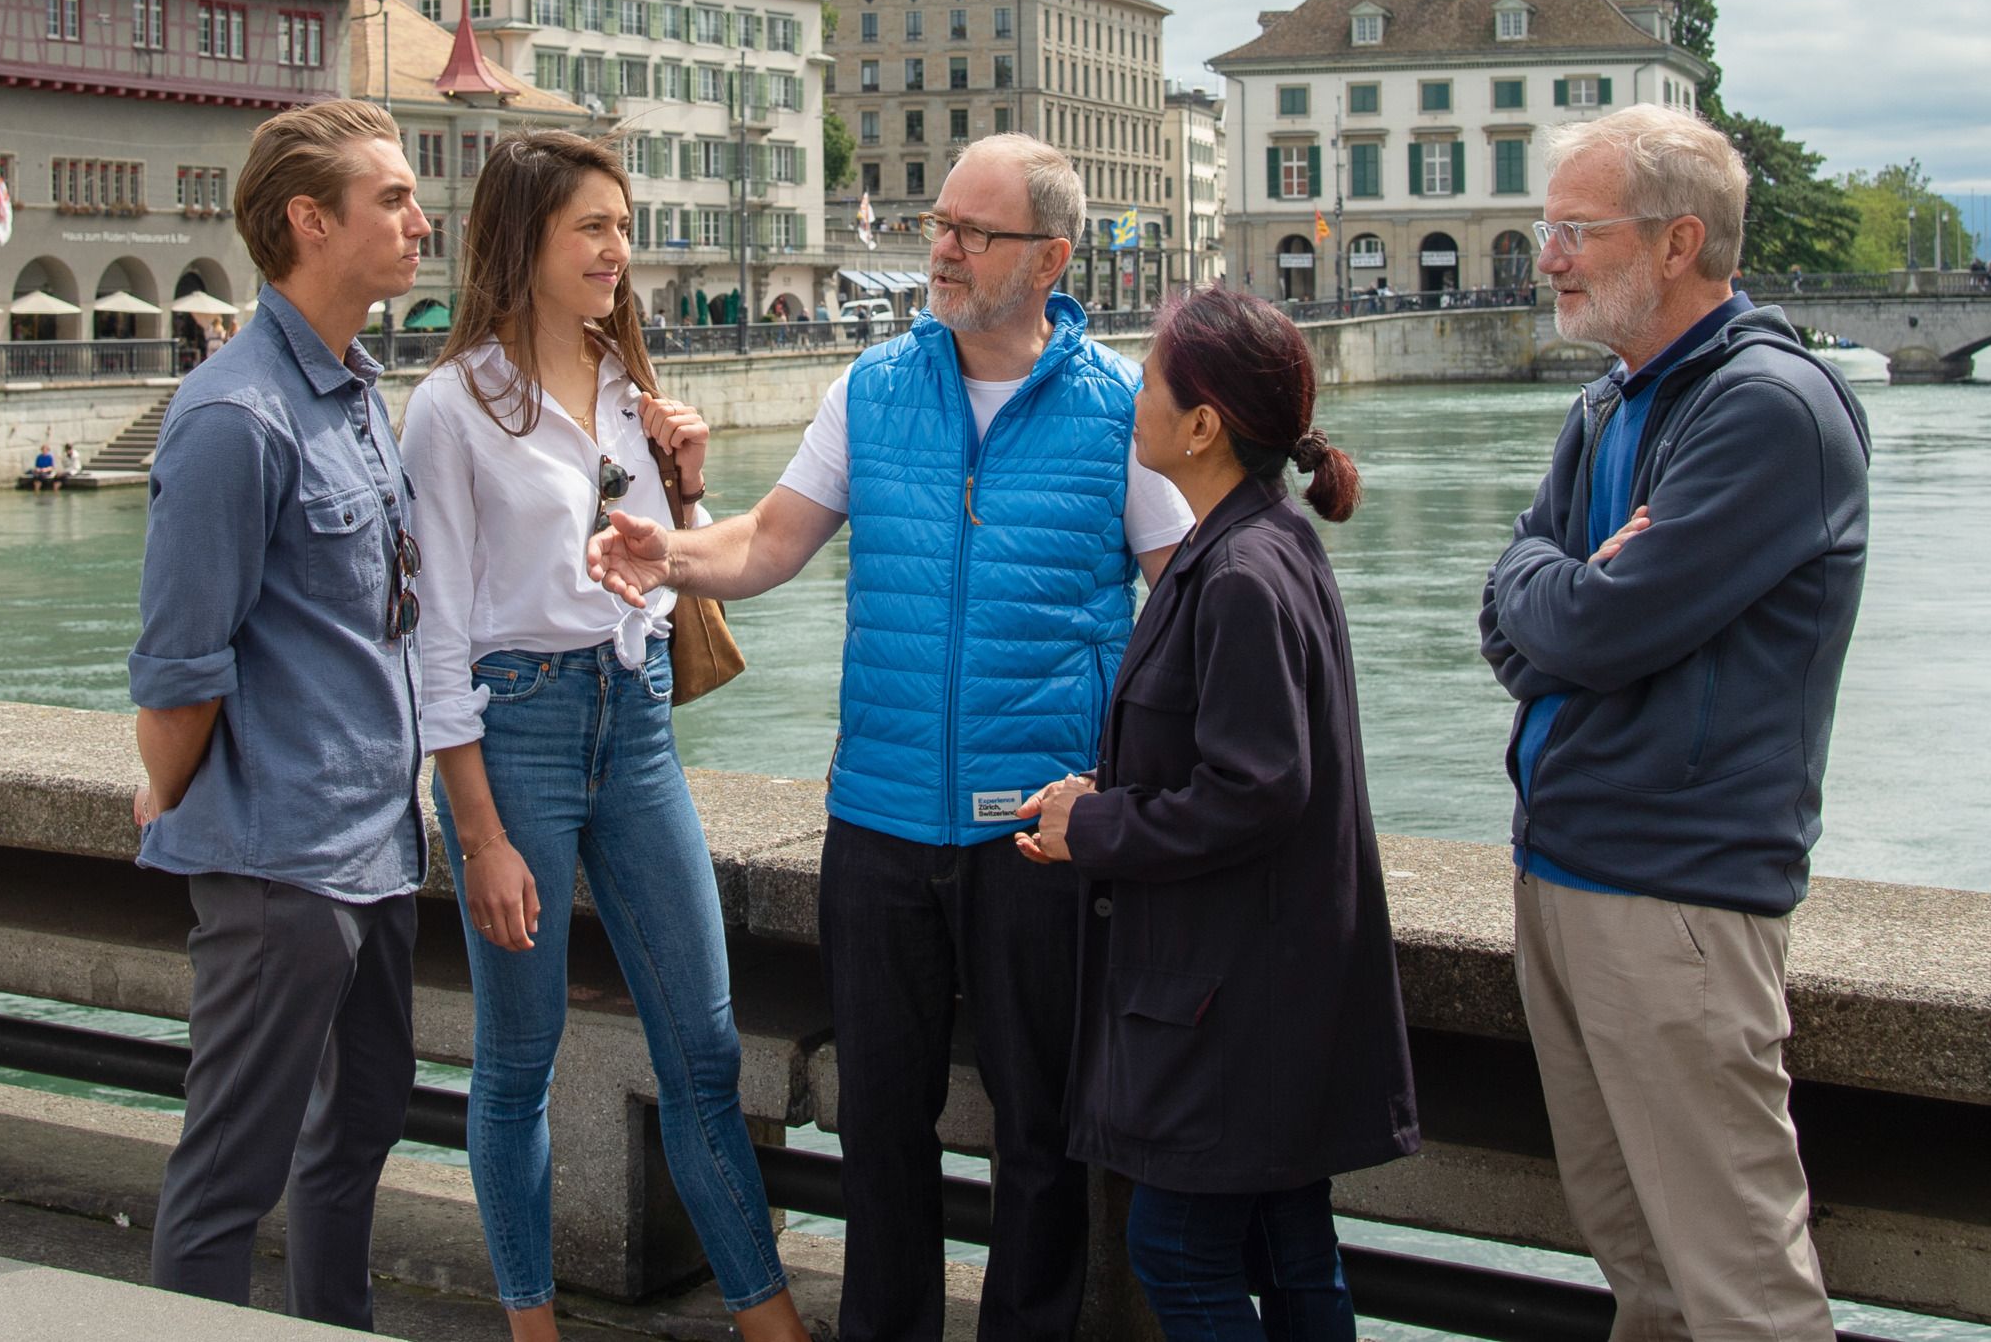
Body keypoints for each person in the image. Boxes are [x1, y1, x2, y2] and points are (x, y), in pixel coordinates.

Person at [593, 134, 1192, 1342]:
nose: (946, 249)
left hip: (1039, 828)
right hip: (878, 815)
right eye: (940, 223)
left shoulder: (1124, 407)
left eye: (976, 231)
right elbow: (767, 540)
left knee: (1039, 1129)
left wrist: (1152, 792)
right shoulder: (872, 387)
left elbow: (1190, 601)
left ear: (1051, 257)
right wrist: (670, 551)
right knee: (880, 1122)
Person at [1479, 107, 1870, 1342]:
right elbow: (1512, 609)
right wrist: (1562, 583)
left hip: (1678, 896)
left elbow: (1589, 627)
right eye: (1550, 229)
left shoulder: (1767, 410)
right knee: (1640, 1270)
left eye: (1575, 231)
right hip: (1568, 869)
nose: (1547, 255)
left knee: (1738, 1288)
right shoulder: (1612, 402)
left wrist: (1561, 589)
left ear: (1680, 240)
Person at [404, 132, 803, 1342]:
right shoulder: (451, 406)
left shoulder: (634, 391)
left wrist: (685, 489)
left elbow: (674, 583)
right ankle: (533, 1323)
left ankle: (767, 1319)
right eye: (592, 227)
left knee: (705, 1044)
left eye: (623, 225)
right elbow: (436, 639)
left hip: (632, 728)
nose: (617, 250)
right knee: (517, 1056)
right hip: (514, 728)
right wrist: (477, 832)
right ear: (524, 241)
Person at [1013, 286, 1420, 1342]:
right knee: (1290, 1251)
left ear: (1202, 425)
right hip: (1277, 979)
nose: (1132, 397)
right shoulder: (1267, 540)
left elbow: (1253, 789)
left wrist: (1090, 827)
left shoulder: (1237, 570)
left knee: (1179, 1252)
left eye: (1149, 381)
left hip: (1233, 996)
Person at [128, 98, 434, 1318]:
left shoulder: (355, 390)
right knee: (228, 1173)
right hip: (282, 864)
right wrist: (170, 781)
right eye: (395, 199)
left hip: (375, 845)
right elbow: (177, 667)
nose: (422, 220)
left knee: (357, 1128)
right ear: (312, 221)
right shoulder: (232, 416)